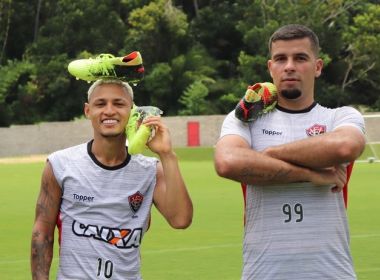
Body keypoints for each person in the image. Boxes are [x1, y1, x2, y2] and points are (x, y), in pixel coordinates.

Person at [214, 24, 365, 280]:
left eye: (300, 58)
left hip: (331, 272)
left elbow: (345, 146)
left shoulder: (340, 117)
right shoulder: (246, 120)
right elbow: (227, 162)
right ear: (270, 67)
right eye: (281, 59)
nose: (290, 66)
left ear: (317, 67)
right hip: (263, 272)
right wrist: (311, 174)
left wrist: (268, 154)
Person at [31, 79, 193, 280]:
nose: (109, 111)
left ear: (132, 111)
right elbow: (42, 232)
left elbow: (181, 220)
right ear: (88, 110)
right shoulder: (60, 164)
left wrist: (167, 155)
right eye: (100, 104)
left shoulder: (150, 170)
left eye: (118, 103)